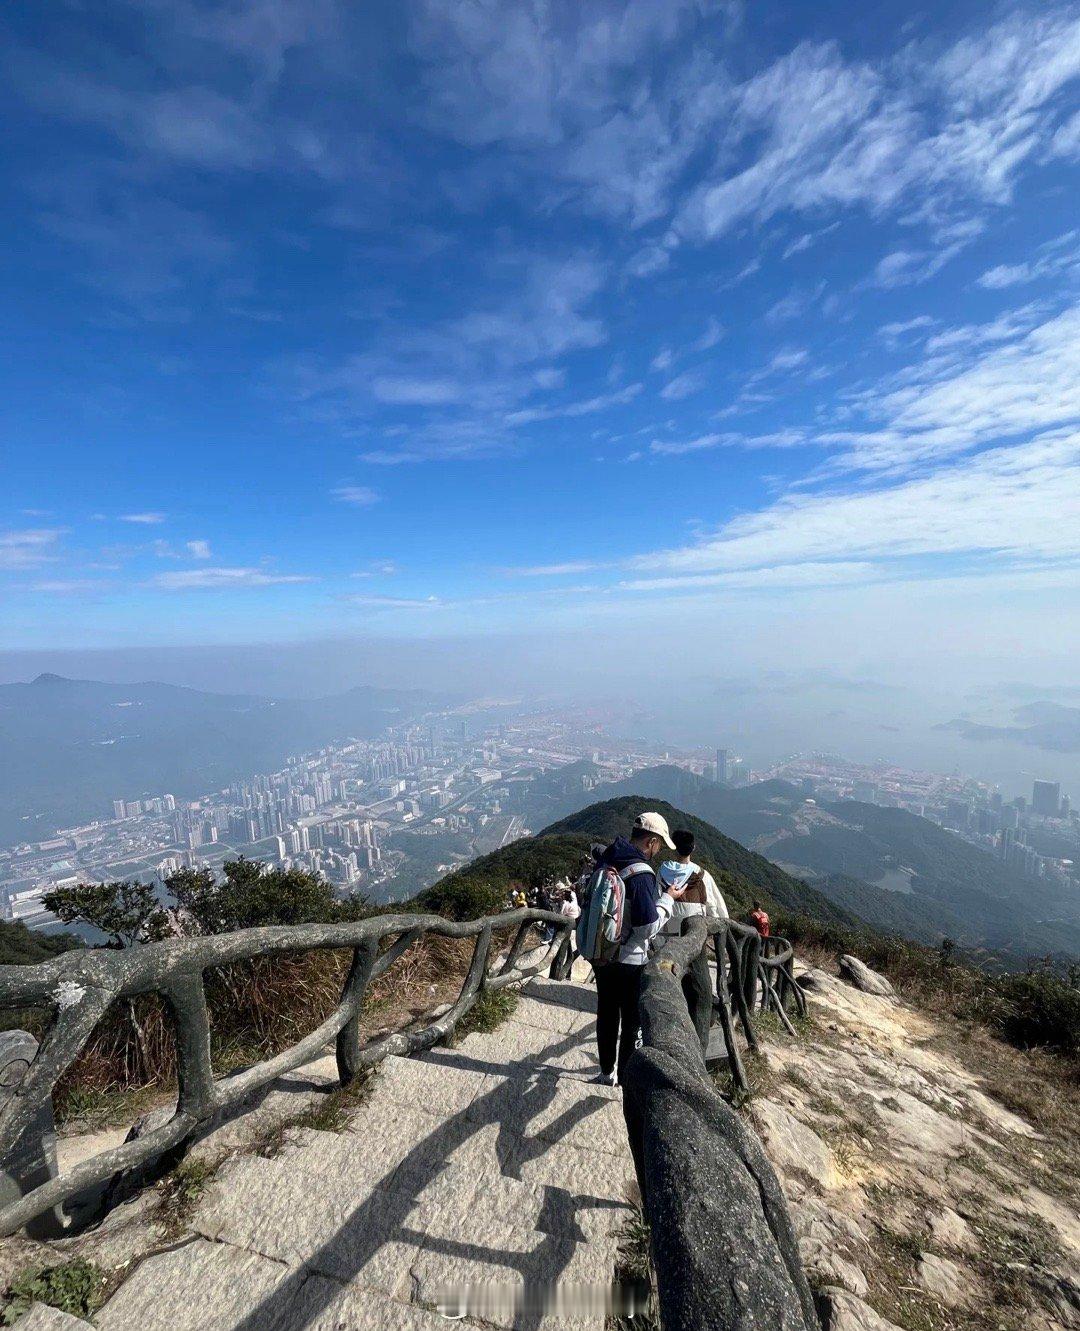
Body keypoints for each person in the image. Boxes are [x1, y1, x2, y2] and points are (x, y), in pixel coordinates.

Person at [592, 811, 686, 1086]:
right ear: (652, 841)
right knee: (631, 1021)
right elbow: (647, 927)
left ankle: (605, 1072)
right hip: (630, 959)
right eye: (659, 845)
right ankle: (625, 1079)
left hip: (601, 952)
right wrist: (668, 899)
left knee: (606, 1014)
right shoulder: (641, 873)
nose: (658, 852)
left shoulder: (607, 858)